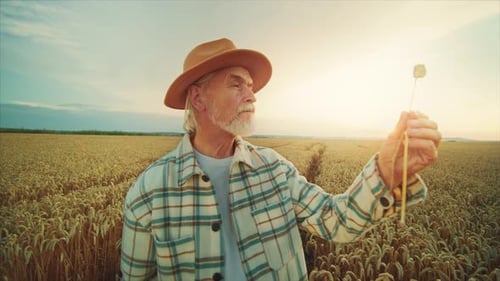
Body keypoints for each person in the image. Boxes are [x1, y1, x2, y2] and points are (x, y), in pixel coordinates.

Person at [120, 38, 441, 281]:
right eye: (236, 84)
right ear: (198, 97)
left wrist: (386, 170)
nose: (252, 95)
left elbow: (337, 221)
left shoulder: (274, 169)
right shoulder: (148, 193)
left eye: (250, 85)